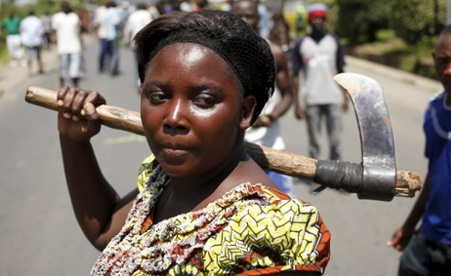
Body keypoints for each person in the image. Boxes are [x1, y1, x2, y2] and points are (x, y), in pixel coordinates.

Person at [56, 10, 330, 275]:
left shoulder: (263, 227)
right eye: (158, 96)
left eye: (204, 101)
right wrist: (74, 142)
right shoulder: (163, 180)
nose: (173, 118)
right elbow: (106, 230)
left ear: (245, 112)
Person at [387, 22, 451, 275]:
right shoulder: (433, 110)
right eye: (444, 61)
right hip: (428, 236)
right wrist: (409, 226)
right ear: (434, 60)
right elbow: (437, 172)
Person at [231, 0, 296, 198]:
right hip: (229, 154)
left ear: (258, 18)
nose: (243, 21)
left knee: (284, 216)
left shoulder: (274, 54)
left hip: (269, 149)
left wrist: (269, 117)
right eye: (238, 16)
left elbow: (288, 95)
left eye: (249, 16)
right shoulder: (216, 54)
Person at [291, 2, 348, 162]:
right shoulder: (301, 44)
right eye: (315, 18)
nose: (318, 21)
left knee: (336, 141)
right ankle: (317, 176)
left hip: (333, 98)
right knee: (314, 142)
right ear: (309, 20)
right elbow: (295, 74)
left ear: (325, 20)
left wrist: (345, 96)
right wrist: (297, 103)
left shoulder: (334, 41)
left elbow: (341, 69)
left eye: (321, 18)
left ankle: (337, 175)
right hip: (312, 99)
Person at [52, 1, 83, 88]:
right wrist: (53, 43)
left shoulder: (74, 17)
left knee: (75, 71)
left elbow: (79, 31)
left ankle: (76, 88)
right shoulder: (57, 17)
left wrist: (82, 43)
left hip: (75, 46)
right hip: (62, 47)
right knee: (62, 70)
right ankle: (61, 89)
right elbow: (54, 32)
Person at [123, 2, 154, 86]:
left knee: (137, 62)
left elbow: (128, 29)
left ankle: (138, 81)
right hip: (145, 41)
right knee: (146, 62)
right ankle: (144, 80)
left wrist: (126, 41)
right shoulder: (147, 14)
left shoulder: (133, 15)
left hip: (135, 42)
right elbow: (150, 27)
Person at [20, 10, 44, 75]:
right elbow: (41, 31)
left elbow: (22, 31)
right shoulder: (37, 20)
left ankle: (30, 71)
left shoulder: (24, 21)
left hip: (28, 42)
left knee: (29, 56)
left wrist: (22, 41)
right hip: (37, 41)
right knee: (38, 56)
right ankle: (40, 69)